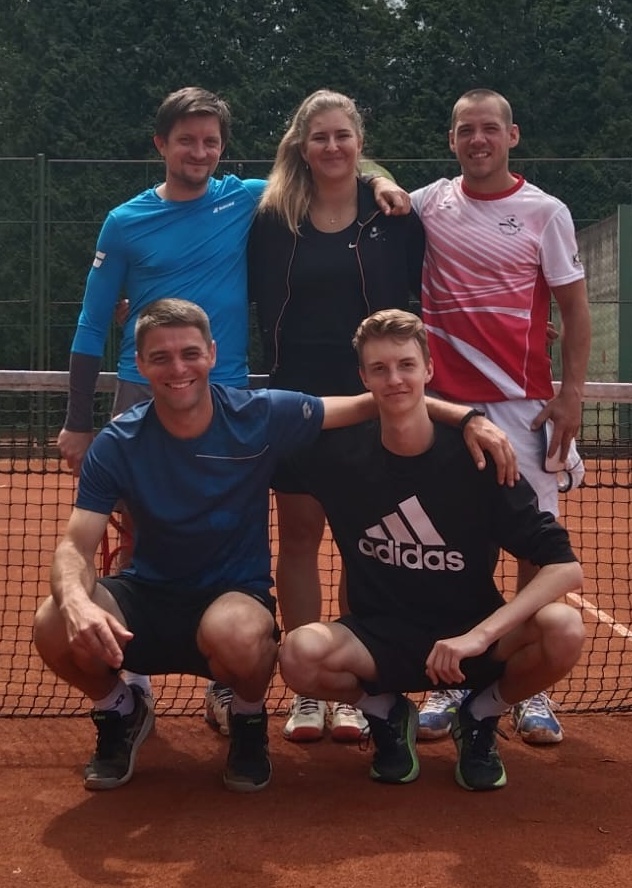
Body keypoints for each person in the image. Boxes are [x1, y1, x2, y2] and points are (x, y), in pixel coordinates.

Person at [33, 298, 515, 794]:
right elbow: (75, 544)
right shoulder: (118, 441)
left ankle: (248, 720)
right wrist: (76, 604)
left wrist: (467, 418)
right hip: (146, 595)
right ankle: (120, 710)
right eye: (161, 357)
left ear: (212, 354)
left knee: (238, 631)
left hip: (232, 599)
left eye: (190, 353)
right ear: (140, 363)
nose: (178, 368)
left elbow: (380, 399)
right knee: (53, 620)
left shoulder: (258, 415)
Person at [55, 85, 407, 716]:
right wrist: (78, 422)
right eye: (186, 141)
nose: (199, 152)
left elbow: (328, 163)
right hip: (145, 385)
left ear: (222, 147)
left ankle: (226, 675)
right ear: (161, 145)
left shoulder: (247, 198)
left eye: (210, 141)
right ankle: (134, 674)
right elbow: (90, 324)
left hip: (231, 389)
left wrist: (381, 178)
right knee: (139, 534)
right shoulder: (125, 221)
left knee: (231, 529)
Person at [279, 309, 585, 792]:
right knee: (298, 654)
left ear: (429, 370)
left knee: (564, 628)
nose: (394, 379)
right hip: (378, 640)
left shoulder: (480, 459)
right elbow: (266, 427)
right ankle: (387, 713)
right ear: (363, 379)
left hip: (470, 640)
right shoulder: (336, 455)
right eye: (379, 369)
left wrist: (478, 637)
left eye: (406, 365)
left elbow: (564, 568)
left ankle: (479, 715)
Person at [410, 88, 591, 745]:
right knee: (452, 546)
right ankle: (453, 679)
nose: (478, 140)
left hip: (525, 408)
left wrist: (571, 394)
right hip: (446, 409)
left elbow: (574, 309)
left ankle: (528, 688)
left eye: (490, 128)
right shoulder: (428, 202)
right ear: (451, 139)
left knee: (536, 550)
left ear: (512, 135)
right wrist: (377, 181)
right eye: (466, 130)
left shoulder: (546, 212)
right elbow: (363, 176)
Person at [248, 88, 426, 743]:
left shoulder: (393, 216)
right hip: (295, 401)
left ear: (359, 143)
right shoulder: (271, 217)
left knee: (361, 540)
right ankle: (307, 685)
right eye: (319, 137)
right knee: (298, 536)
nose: (331, 147)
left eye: (342, 136)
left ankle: (349, 680)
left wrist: (381, 180)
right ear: (301, 145)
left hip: (372, 401)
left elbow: (421, 293)